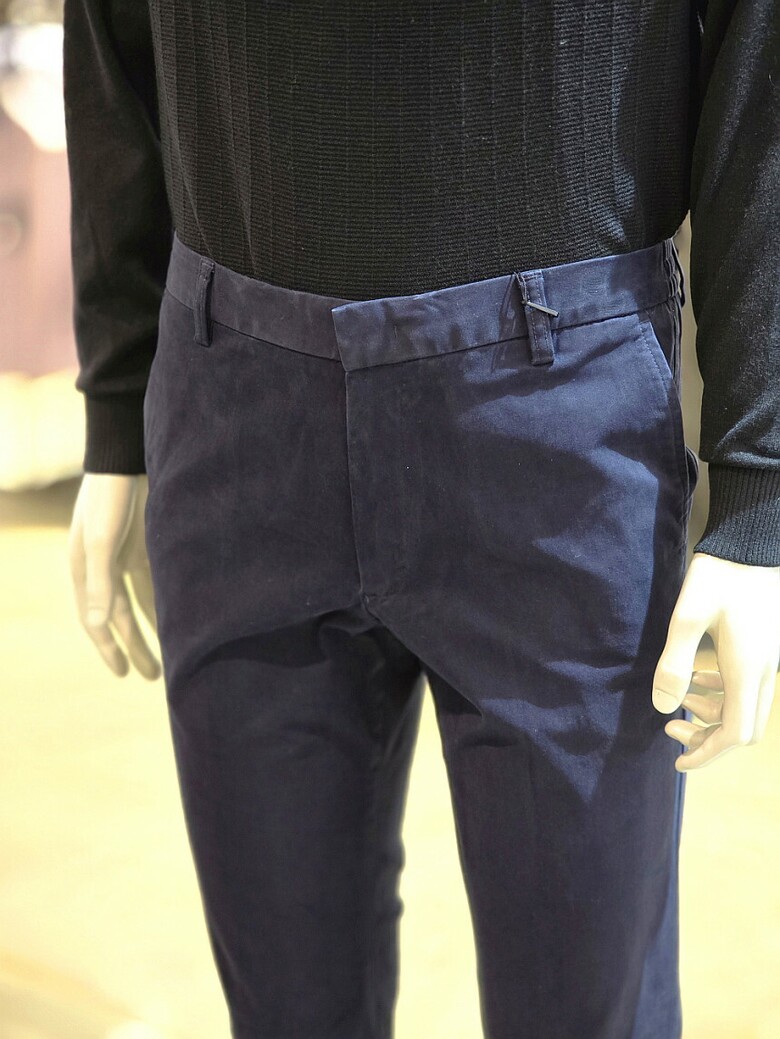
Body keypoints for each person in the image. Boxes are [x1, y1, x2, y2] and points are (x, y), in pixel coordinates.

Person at [62, 2, 779, 1037]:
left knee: (587, 1008)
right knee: (285, 1009)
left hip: (559, 421)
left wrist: (760, 480)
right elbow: (107, 35)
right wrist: (117, 408)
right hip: (236, 407)